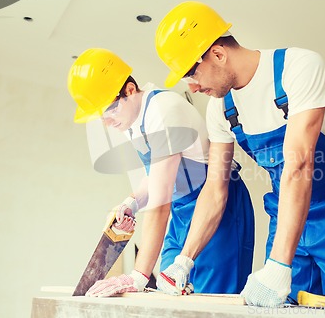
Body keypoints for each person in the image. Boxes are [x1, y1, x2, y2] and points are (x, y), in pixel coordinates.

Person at [154, 1, 325, 308]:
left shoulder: (298, 67)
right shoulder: (221, 109)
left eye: (190, 73)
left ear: (218, 54)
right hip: (285, 211)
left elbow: (299, 163)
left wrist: (278, 265)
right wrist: (185, 258)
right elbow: (215, 188)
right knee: (279, 308)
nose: (192, 87)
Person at [66, 48, 255, 297]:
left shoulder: (162, 111)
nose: (107, 122)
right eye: (100, 116)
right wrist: (131, 203)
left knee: (212, 304)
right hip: (181, 212)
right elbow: (157, 177)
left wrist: (138, 276)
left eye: (109, 110)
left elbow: (159, 201)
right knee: (170, 296)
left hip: (219, 209)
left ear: (130, 91)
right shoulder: (133, 123)